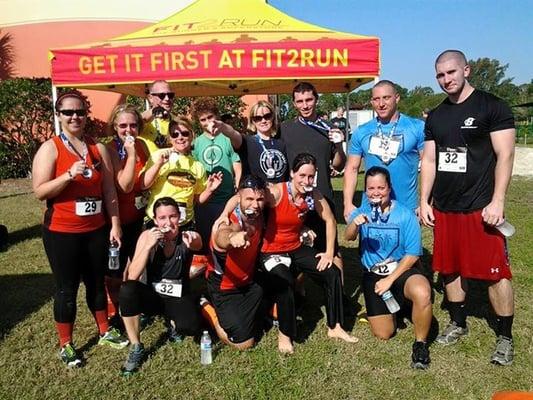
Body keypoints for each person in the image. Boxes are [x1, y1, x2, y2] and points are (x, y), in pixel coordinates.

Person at [420, 50, 516, 366]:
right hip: (446, 208)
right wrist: (424, 200)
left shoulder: (492, 106)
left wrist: (498, 200)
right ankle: (458, 322)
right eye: (440, 75)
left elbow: (505, 156)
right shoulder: (436, 115)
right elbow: (431, 160)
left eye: (451, 72)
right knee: (449, 268)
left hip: (481, 207)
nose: (446, 79)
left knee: (495, 273)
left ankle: (504, 336)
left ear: (466, 70)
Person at [32, 91, 128, 368]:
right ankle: (66, 344)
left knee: (97, 283)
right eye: (68, 112)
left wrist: (115, 224)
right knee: (67, 289)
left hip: (96, 230)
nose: (75, 117)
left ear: (86, 114)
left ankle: (104, 331)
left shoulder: (97, 148)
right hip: (62, 231)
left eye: (79, 112)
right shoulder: (50, 148)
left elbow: (109, 188)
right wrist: (67, 176)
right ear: (59, 116)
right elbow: (40, 191)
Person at [260, 153, 357, 353]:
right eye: (302, 175)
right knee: (285, 282)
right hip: (271, 251)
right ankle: (285, 334)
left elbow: (330, 220)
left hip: (295, 247)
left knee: (331, 272)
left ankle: (335, 326)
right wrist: (225, 215)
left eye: (311, 176)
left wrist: (329, 253)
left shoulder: (314, 194)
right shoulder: (276, 192)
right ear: (292, 173)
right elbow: (243, 197)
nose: (307, 181)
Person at [345, 166, 432, 369]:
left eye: (381, 188)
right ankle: (396, 307)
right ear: (366, 190)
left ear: (389, 188)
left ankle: (420, 344)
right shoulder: (362, 211)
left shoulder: (405, 215)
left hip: (401, 270)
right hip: (373, 274)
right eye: (371, 188)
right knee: (384, 334)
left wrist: (390, 280)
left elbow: (412, 255)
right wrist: (354, 224)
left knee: (423, 292)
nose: (376, 193)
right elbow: (348, 237)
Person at [119, 197, 203, 375]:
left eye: (172, 216)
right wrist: (148, 247)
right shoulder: (147, 236)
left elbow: (198, 243)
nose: (168, 222)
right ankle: (136, 345)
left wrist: (193, 241)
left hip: (178, 294)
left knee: (191, 327)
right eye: (162, 218)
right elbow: (132, 275)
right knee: (127, 289)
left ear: (179, 217)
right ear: (156, 220)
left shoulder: (187, 235)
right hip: (153, 295)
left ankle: (173, 322)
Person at [280, 82, 346, 270]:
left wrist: (339, 146)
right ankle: (300, 292)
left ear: (316, 99)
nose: (305, 105)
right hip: (294, 198)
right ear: (293, 104)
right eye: (300, 101)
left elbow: (338, 165)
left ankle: (338, 296)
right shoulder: (285, 129)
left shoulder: (329, 128)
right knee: (295, 246)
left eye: (309, 100)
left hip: (322, 194)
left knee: (331, 249)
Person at [343, 80, 424, 220]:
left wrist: (425, 202)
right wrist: (348, 203)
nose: (381, 104)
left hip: (407, 209)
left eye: (386, 98)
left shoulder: (416, 127)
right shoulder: (362, 131)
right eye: (376, 99)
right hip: (370, 208)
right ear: (372, 101)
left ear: (397, 98)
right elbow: (352, 168)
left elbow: (429, 165)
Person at [205, 175, 267, 350]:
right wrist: (233, 237)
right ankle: (206, 306)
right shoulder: (230, 222)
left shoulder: (259, 211)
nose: (255, 204)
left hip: (249, 281)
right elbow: (222, 236)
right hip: (224, 287)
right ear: (239, 197)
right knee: (244, 343)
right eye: (249, 199)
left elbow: (245, 195)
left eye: (259, 199)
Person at [105, 104, 149, 328]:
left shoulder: (142, 145)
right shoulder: (110, 150)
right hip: (115, 219)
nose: (128, 130)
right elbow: (124, 184)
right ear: (114, 126)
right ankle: (114, 314)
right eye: (123, 125)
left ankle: (134, 304)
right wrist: (130, 154)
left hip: (138, 215)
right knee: (115, 267)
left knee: (137, 264)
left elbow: (145, 180)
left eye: (133, 125)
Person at [141, 116, 223, 228]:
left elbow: (198, 200)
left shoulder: (197, 166)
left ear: (192, 135)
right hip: (158, 222)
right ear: (169, 138)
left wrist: (210, 189)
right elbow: (144, 185)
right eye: (175, 134)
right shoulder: (158, 156)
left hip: (184, 224)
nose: (180, 137)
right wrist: (159, 164)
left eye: (184, 133)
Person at [191, 97, 242, 250]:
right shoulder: (197, 143)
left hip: (226, 200)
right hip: (206, 201)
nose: (208, 122)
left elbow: (237, 166)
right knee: (206, 241)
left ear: (217, 116)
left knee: (225, 240)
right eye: (203, 119)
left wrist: (237, 192)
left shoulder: (227, 139)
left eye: (210, 117)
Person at [229, 100, 289, 183]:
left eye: (267, 116)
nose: (263, 121)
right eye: (258, 118)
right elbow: (232, 134)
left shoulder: (281, 143)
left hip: (279, 193)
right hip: (256, 194)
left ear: (273, 117)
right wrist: (221, 126)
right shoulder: (247, 142)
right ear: (253, 121)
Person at [139, 80, 175, 154]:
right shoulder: (147, 119)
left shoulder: (176, 121)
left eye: (170, 95)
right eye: (162, 95)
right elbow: (138, 121)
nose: (167, 98)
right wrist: (154, 111)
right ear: (150, 98)